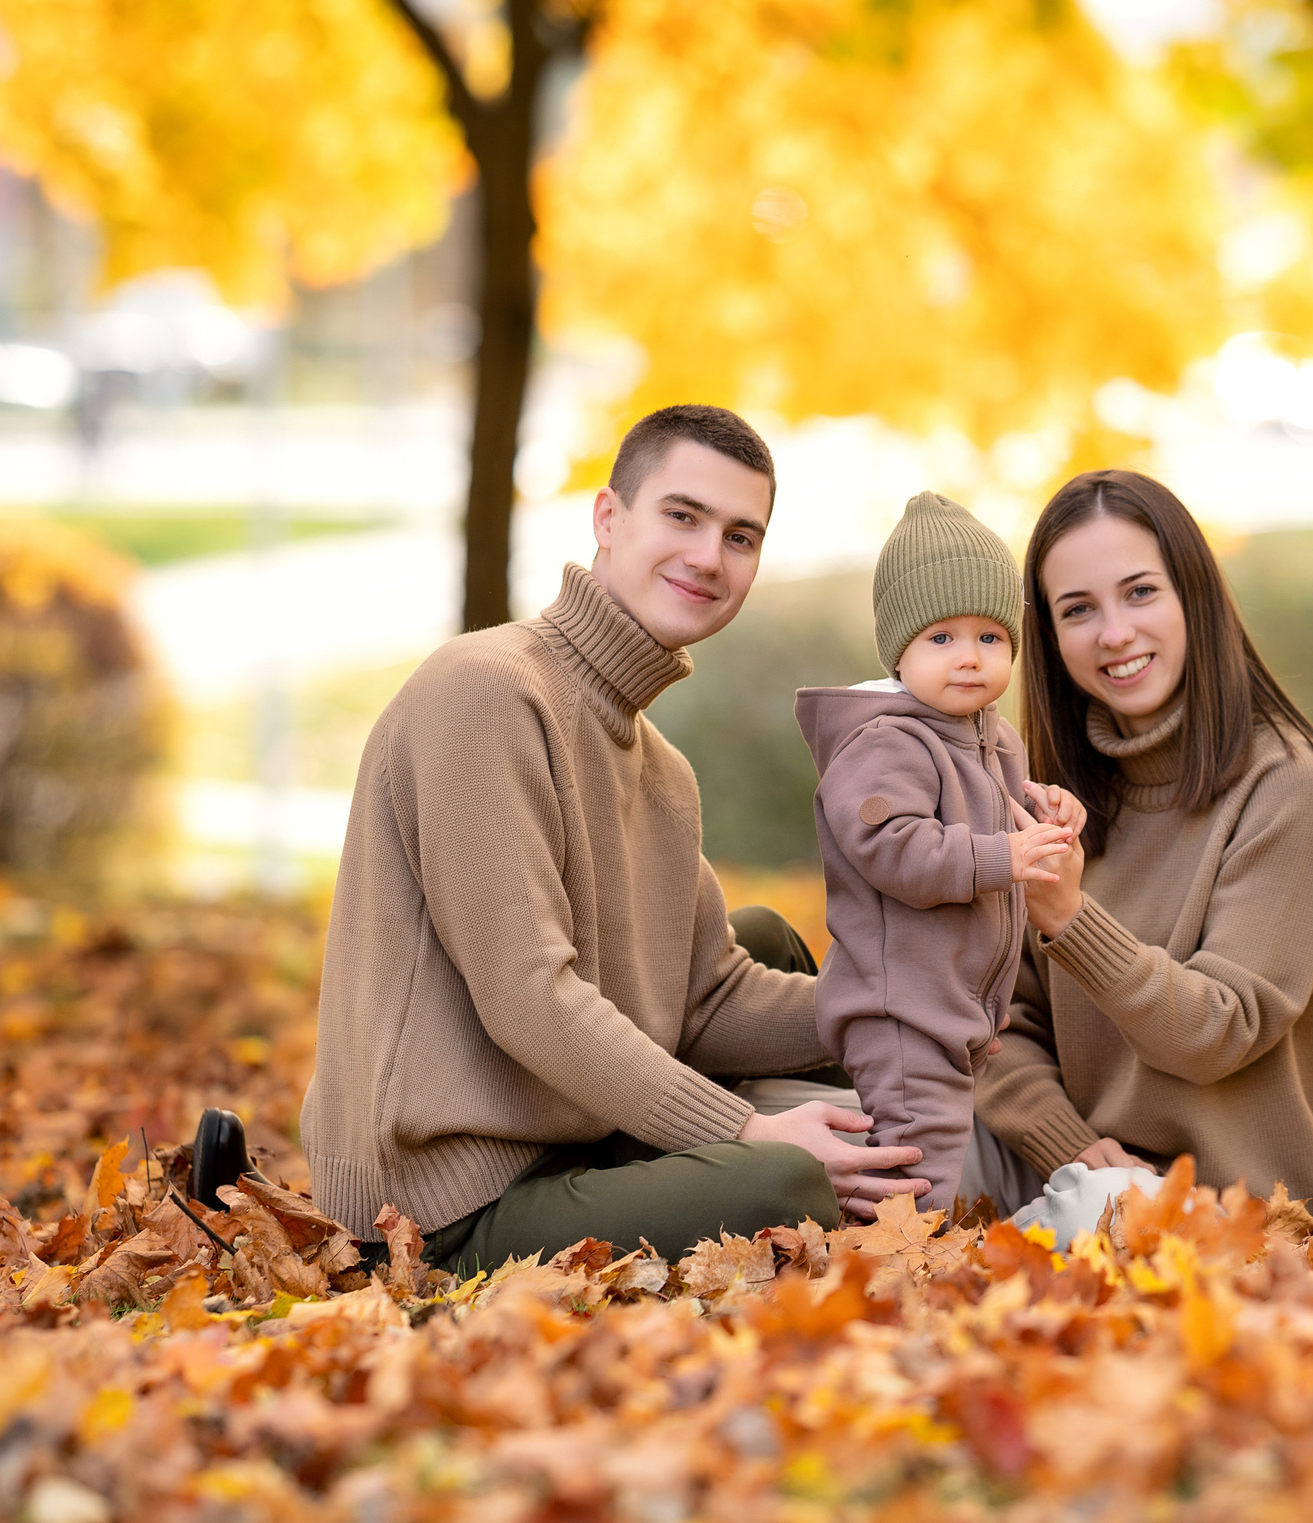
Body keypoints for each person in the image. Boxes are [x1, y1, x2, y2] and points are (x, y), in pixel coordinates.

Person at [300, 405, 929, 1274]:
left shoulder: (661, 770)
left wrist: (915, 992)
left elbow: (705, 1000)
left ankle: (890, 1128)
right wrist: (748, 1132)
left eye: (740, 536)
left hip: (567, 1136)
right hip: (444, 1200)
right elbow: (530, 997)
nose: (709, 556)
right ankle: (829, 1147)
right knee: (783, 1186)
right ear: (607, 517)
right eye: (683, 515)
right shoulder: (487, 693)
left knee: (769, 942)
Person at [968, 470, 1313, 1215]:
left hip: (1222, 1209)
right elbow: (997, 1022)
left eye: (1141, 592)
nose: (1115, 633)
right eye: (1078, 609)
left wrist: (1070, 919)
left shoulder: (1291, 788)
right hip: (1068, 1173)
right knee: (869, 1127)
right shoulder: (1050, 796)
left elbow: (1218, 1030)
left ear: (1194, 596)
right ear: (1049, 637)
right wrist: (1069, 1148)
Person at [795, 493, 1078, 1209]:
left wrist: (1049, 812)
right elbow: (894, 846)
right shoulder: (885, 742)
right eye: (942, 638)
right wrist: (999, 858)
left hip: (959, 1005)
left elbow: (1009, 818)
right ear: (900, 649)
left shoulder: (993, 734)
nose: (969, 658)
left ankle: (909, 1259)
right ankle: (899, 1270)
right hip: (899, 1007)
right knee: (917, 1160)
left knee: (934, 1149)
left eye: (990, 637)